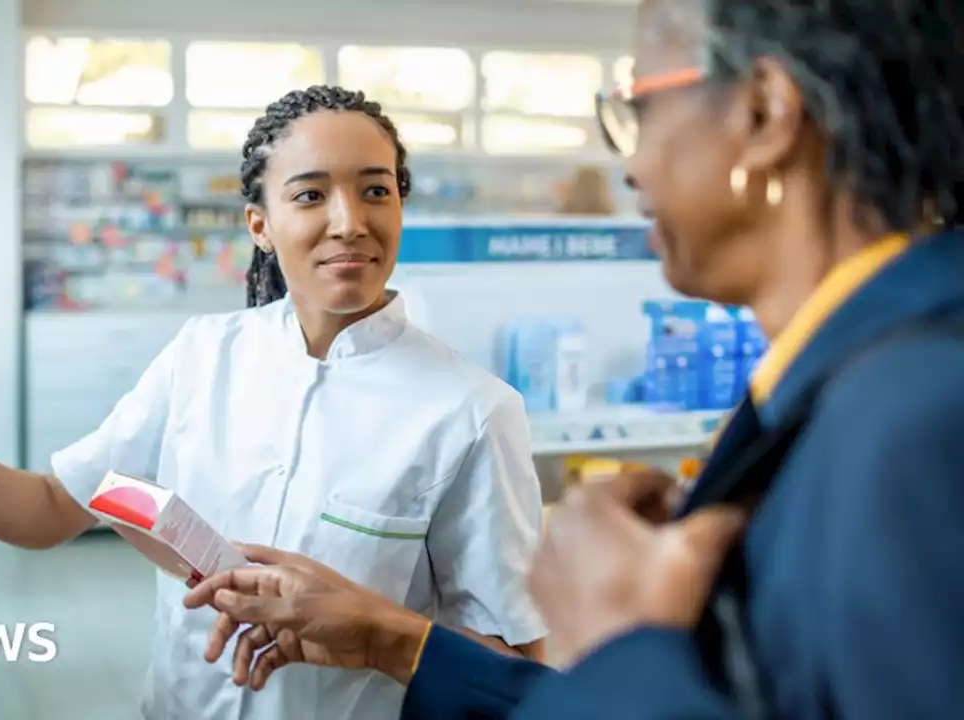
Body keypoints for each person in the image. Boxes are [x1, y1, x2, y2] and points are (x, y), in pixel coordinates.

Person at [183, 0, 964, 716]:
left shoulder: (919, 421)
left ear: (763, 111)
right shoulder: (845, 390)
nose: (630, 167)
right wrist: (391, 639)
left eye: (639, 109)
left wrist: (624, 646)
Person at [0, 85, 548, 719]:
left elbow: (507, 670)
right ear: (259, 224)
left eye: (375, 189)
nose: (349, 220)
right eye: (311, 193)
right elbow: (52, 508)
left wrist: (369, 625)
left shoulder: (472, 412)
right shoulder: (204, 354)